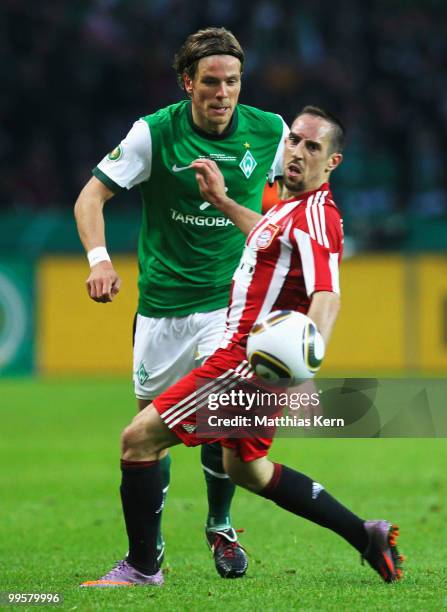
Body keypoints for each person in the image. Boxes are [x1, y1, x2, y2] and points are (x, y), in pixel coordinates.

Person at [80, 106, 404, 587]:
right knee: (247, 468)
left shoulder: (316, 218)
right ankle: (365, 534)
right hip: (253, 363)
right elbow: (268, 234)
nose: (296, 152)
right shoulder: (292, 210)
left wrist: (302, 372)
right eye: (294, 140)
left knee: (139, 440)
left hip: (246, 365)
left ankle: (143, 568)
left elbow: (327, 297)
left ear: (332, 162)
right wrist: (224, 199)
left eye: (312, 147)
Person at [74, 27, 288, 578]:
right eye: (211, 83)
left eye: (233, 82)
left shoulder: (270, 131)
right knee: (152, 432)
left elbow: (285, 205)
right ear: (188, 83)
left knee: (223, 414)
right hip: (162, 311)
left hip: (230, 305)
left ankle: (220, 528)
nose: (223, 94)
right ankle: (151, 559)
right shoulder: (153, 135)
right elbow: (91, 196)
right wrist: (99, 258)